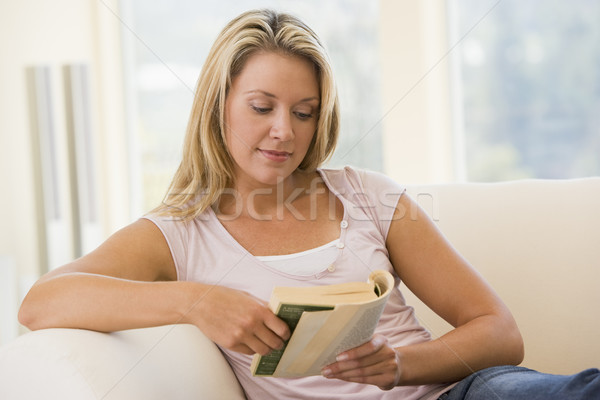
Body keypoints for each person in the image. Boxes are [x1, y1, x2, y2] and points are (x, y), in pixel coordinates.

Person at [18, 9, 599, 400]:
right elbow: (41, 303)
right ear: (218, 105)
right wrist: (197, 302)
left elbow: (500, 333)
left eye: (303, 112)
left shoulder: (369, 195)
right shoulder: (178, 233)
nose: (283, 132)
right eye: (262, 106)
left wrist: (399, 367)